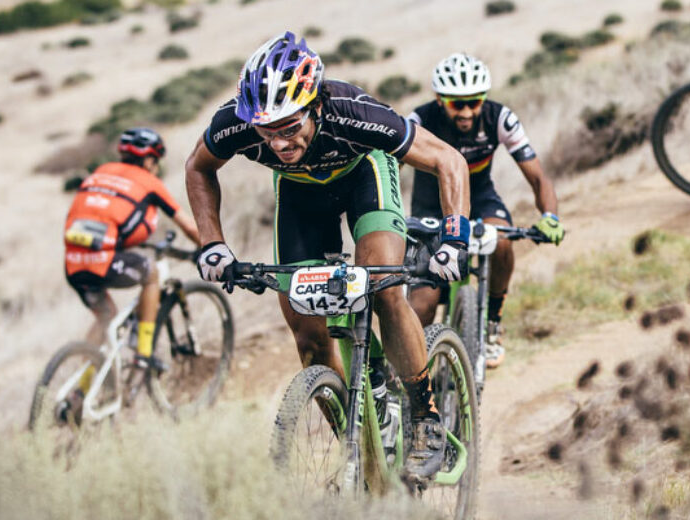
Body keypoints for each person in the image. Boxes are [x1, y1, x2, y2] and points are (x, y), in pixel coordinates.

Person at [184, 32, 471, 479]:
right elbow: (198, 167)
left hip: (364, 177)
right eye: (266, 131)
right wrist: (213, 243)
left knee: (383, 288)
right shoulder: (236, 123)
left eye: (289, 127)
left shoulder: (355, 113)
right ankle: (361, 451)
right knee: (308, 335)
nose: (278, 143)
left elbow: (448, 160)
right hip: (300, 196)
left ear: (316, 106)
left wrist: (454, 240)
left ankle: (425, 418)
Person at [405, 53, 564, 369]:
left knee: (502, 242)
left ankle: (492, 323)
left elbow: (537, 176)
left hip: (479, 199)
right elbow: (388, 168)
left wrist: (550, 216)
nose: (466, 112)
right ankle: (409, 372)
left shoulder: (499, 118)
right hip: (430, 206)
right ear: (439, 99)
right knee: (423, 304)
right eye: (457, 104)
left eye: (474, 102)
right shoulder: (419, 120)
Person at [64, 127, 202, 371]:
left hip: (73, 263)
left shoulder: (101, 172)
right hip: (104, 262)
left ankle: (81, 389)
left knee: (106, 318)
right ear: (148, 160)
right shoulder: (149, 183)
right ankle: (144, 353)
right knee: (151, 274)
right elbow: (189, 227)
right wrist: (210, 249)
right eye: (156, 161)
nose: (156, 167)